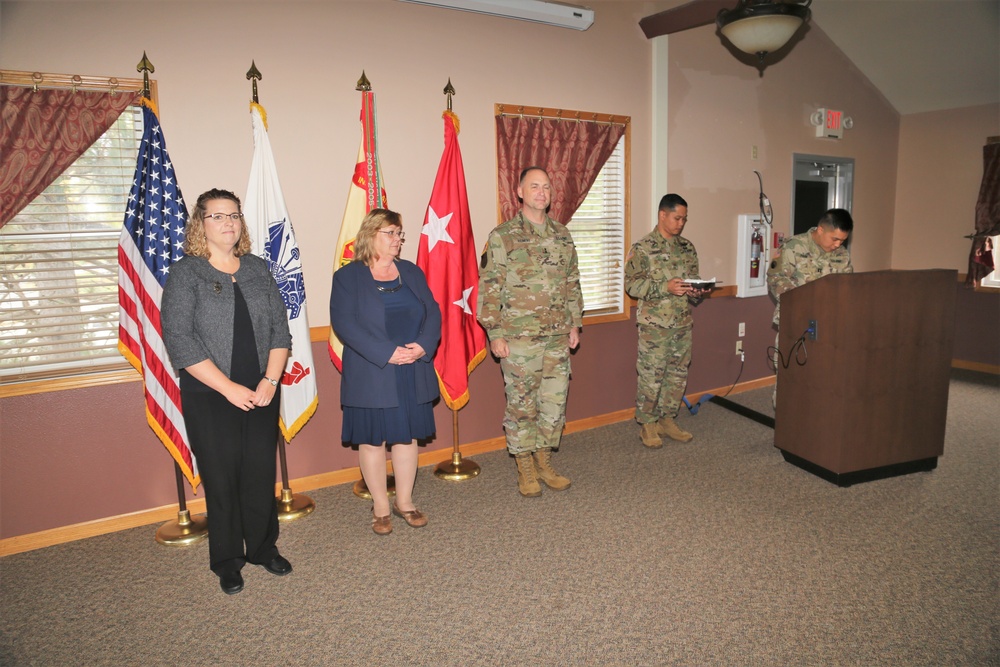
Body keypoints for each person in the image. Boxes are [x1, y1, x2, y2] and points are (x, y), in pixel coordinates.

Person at [161, 188, 292, 595]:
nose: (228, 223)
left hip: (262, 389)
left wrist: (270, 381)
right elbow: (180, 341)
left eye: (233, 215)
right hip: (210, 393)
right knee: (221, 477)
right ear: (200, 224)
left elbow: (279, 330)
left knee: (258, 472)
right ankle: (228, 560)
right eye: (217, 216)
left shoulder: (256, 268)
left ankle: (262, 548)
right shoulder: (186, 273)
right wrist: (229, 388)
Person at [329, 209, 441, 535]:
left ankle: (405, 501)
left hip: (411, 367)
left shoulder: (411, 272)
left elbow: (431, 312)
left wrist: (422, 346)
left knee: (407, 438)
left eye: (399, 234)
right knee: (373, 440)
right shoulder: (347, 277)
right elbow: (345, 325)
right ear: (370, 235)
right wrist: (386, 352)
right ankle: (380, 506)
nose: (397, 240)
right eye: (390, 233)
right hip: (371, 371)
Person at [477, 166, 583, 497]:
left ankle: (543, 460)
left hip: (556, 336)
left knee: (553, 403)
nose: (542, 192)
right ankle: (525, 466)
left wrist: (575, 323)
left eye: (547, 187)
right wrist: (494, 332)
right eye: (534, 186)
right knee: (522, 404)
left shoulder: (562, 235)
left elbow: (572, 281)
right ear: (520, 192)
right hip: (518, 338)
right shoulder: (503, 236)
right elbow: (489, 287)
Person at [624, 194, 708, 448]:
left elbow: (691, 281)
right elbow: (632, 285)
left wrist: (697, 292)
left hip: (682, 323)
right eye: (677, 217)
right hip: (655, 327)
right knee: (652, 376)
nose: (681, 223)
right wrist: (664, 287)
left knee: (677, 374)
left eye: (684, 219)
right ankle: (648, 424)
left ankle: (668, 418)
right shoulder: (643, 248)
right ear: (662, 215)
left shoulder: (687, 248)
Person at [766, 208, 854, 406]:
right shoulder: (793, 246)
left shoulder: (842, 254)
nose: (838, 244)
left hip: (829, 326)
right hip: (796, 324)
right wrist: (804, 302)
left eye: (842, 240)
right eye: (834, 239)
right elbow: (775, 279)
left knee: (823, 378)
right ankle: (786, 428)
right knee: (791, 377)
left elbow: (848, 286)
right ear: (821, 230)